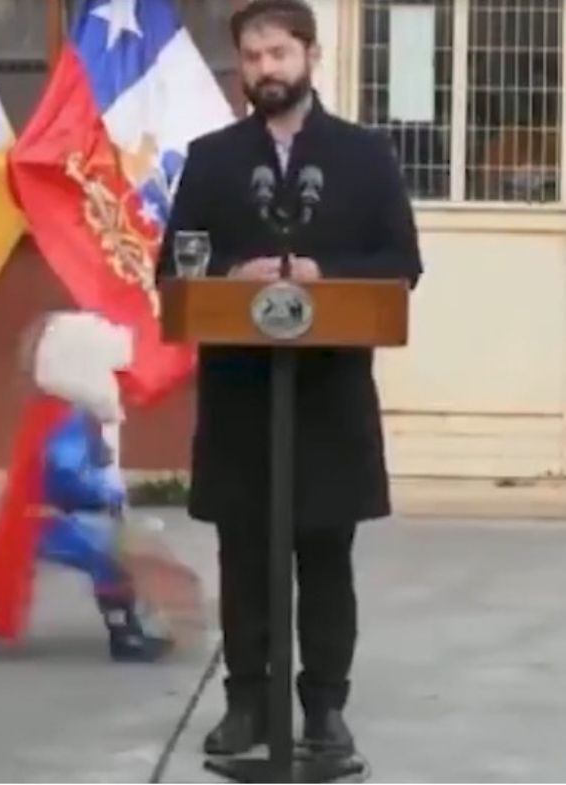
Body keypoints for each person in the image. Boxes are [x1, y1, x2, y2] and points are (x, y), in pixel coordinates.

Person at [155, 0, 422, 759]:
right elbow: (172, 266)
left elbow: (402, 264)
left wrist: (324, 274)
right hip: (242, 397)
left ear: (310, 55)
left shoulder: (365, 156)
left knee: (325, 558)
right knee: (245, 556)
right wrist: (226, 278)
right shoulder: (210, 158)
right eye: (253, 56)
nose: (266, 69)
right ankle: (247, 706)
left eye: (279, 52)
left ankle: (325, 710)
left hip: (328, 397)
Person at [0, 311, 187, 661]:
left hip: (41, 513)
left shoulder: (54, 411)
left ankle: (130, 627)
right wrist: (106, 494)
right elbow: (69, 473)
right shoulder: (70, 419)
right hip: (49, 519)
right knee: (113, 558)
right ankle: (125, 637)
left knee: (120, 546)